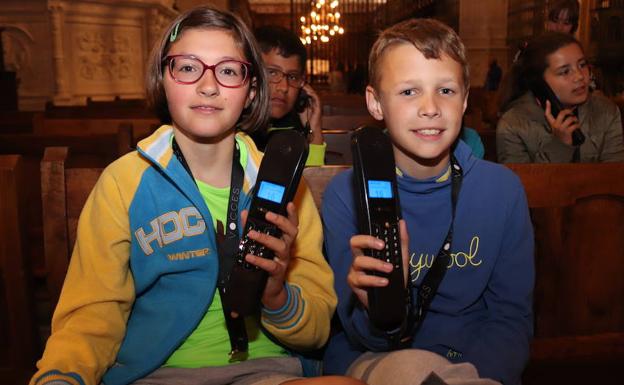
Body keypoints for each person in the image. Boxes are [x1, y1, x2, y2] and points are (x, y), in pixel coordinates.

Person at [30, 6, 363, 385]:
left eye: (227, 70)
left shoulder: (285, 186)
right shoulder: (123, 183)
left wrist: (275, 294)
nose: (208, 86)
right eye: (188, 67)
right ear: (163, 79)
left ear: (252, 89)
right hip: (159, 374)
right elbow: (92, 314)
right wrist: (61, 376)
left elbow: (317, 329)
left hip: (266, 372)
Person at [321, 18, 535, 385]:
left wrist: (472, 376)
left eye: (446, 91)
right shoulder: (347, 194)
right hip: (374, 359)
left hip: (474, 364)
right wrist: (381, 306)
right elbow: (360, 336)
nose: (431, 107)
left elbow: (510, 319)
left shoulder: (503, 191)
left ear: (466, 99)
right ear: (375, 102)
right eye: (409, 92)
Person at [497, 32, 624, 163]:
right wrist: (559, 145)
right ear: (538, 83)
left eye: (582, 65)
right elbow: (520, 182)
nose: (580, 76)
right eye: (565, 71)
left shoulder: (606, 111)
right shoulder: (513, 124)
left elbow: (615, 176)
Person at [251, 25, 326, 166]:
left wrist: (314, 129)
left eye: (292, 77)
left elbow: (314, 184)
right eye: (272, 73)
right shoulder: (234, 129)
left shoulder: (297, 129)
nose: (284, 87)